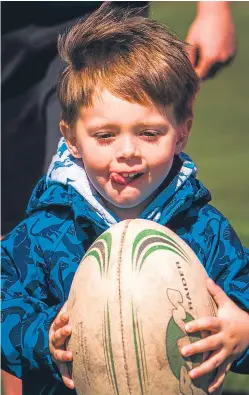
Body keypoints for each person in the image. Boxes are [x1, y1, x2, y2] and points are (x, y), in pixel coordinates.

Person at [2, 4, 247, 395]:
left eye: (149, 133)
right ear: (71, 138)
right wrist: (40, 338)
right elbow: (4, 300)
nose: (127, 150)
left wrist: (242, 331)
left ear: (181, 134)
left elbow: (242, 293)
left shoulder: (203, 227)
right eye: (105, 135)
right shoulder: (46, 230)